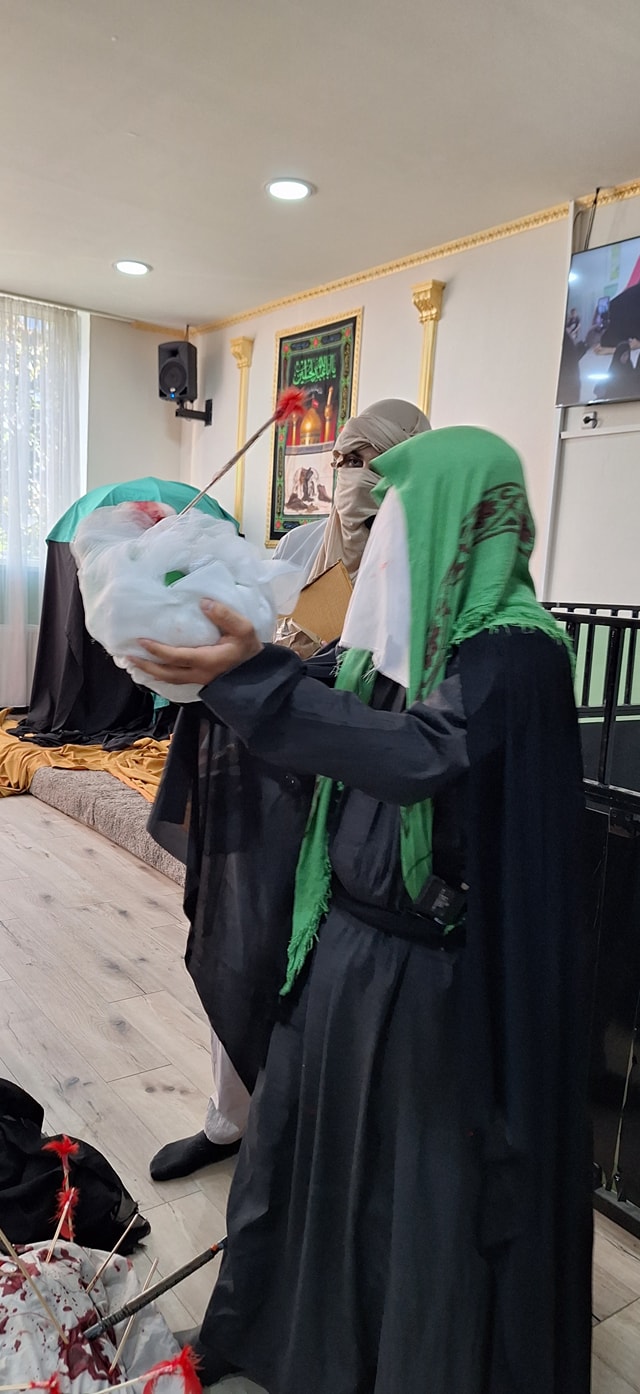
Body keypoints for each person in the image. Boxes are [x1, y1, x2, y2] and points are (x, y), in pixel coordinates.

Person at [135, 426, 593, 1394]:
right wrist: (185, 597)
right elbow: (303, 692)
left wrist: (250, 682)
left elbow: (419, 752)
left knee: (403, 1198)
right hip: (334, 946)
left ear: (456, 523)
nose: (378, 544)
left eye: (397, 520)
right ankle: (264, 1332)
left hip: (426, 984)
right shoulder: (388, 645)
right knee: (290, 1155)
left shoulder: (516, 654)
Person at [147, 399, 431, 1182]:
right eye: (342, 457)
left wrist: (305, 676)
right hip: (267, 775)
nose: (350, 474)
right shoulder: (304, 545)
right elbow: (251, 628)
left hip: (358, 796)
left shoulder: (431, 557)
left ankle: (298, 1145)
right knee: (239, 940)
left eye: (368, 457)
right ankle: (229, 1119)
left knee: (315, 977)